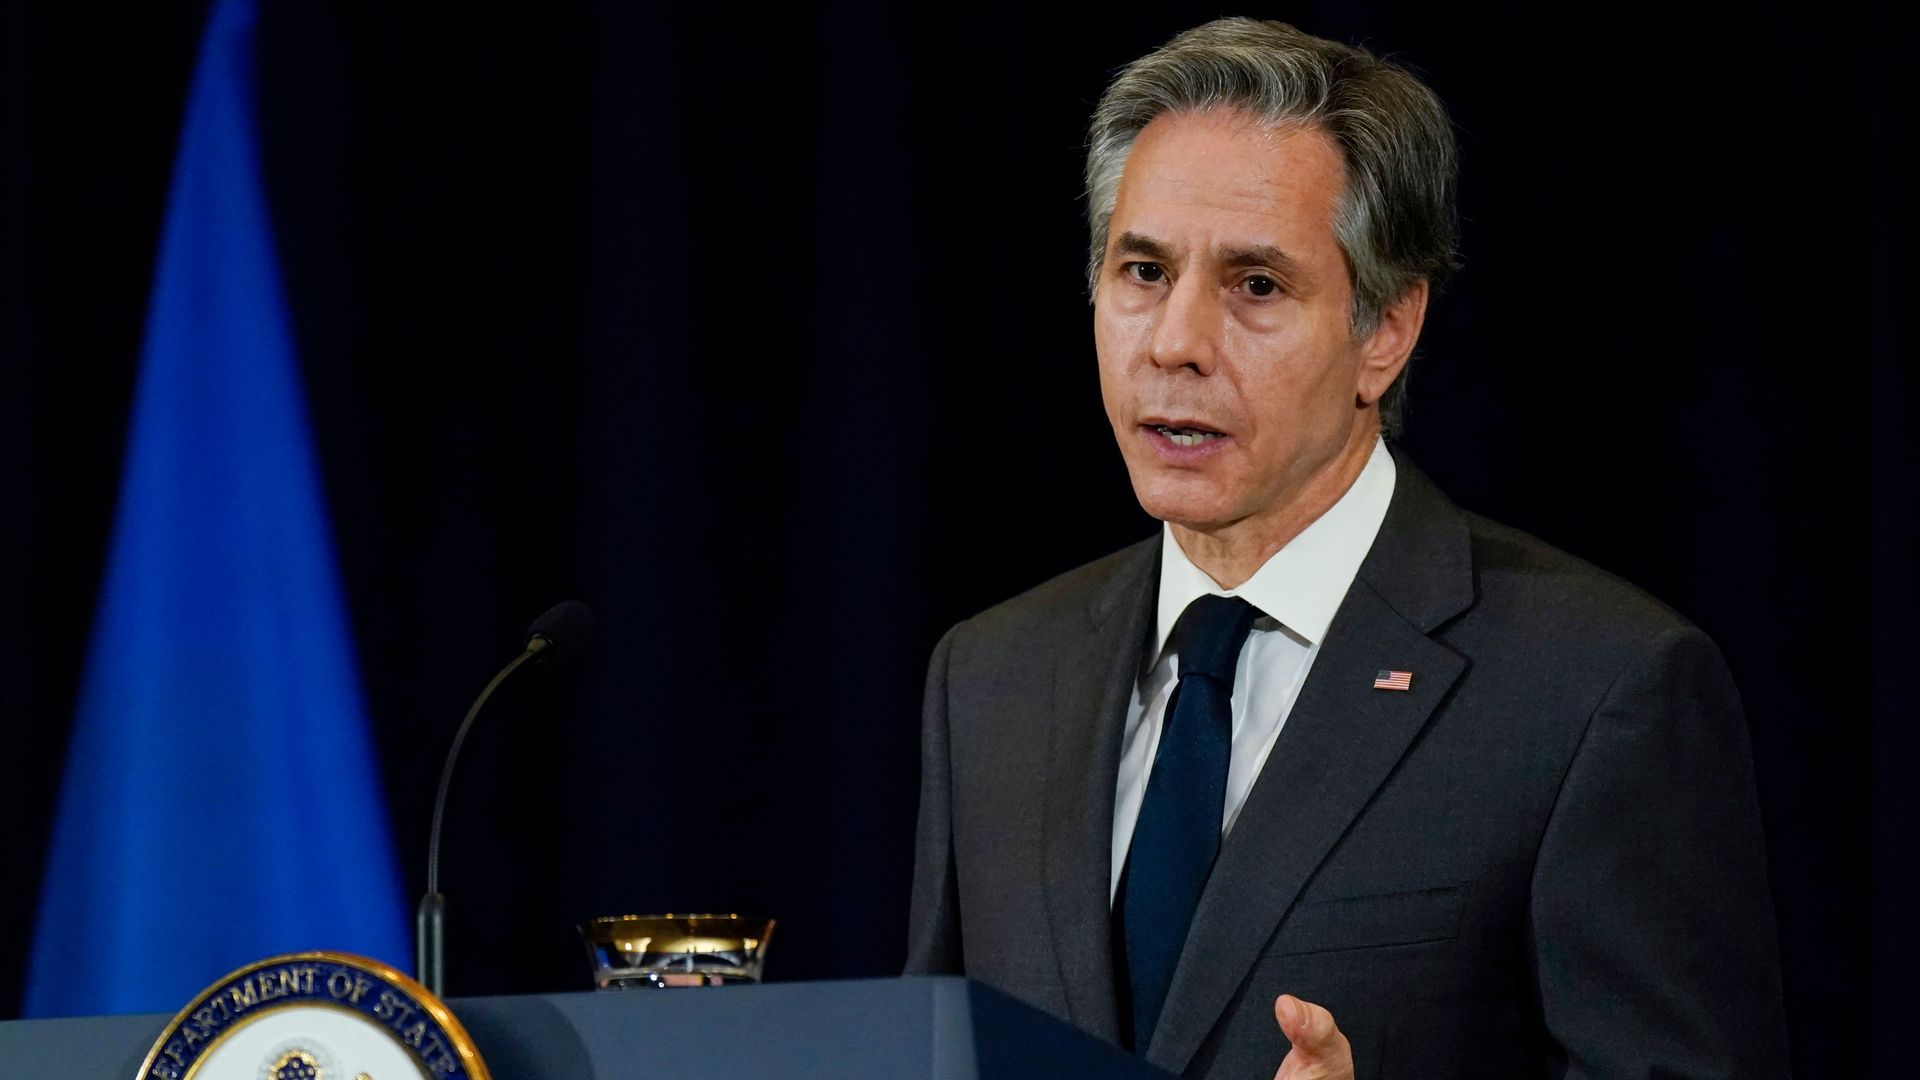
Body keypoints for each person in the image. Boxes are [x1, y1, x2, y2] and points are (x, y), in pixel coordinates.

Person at [903, 18, 1789, 1079]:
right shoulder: (993, 680)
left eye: (1256, 286)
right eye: (1142, 270)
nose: (1175, 342)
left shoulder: (1600, 692)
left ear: (1386, 331)